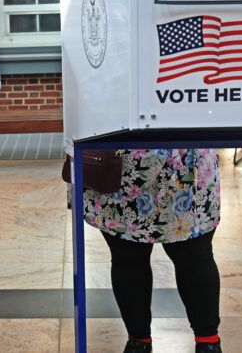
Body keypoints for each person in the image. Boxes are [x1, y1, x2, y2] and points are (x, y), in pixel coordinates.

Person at [83, 149, 222, 353]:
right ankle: (201, 343)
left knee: (189, 256)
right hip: (132, 162)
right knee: (137, 257)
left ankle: (201, 341)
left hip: (151, 158)